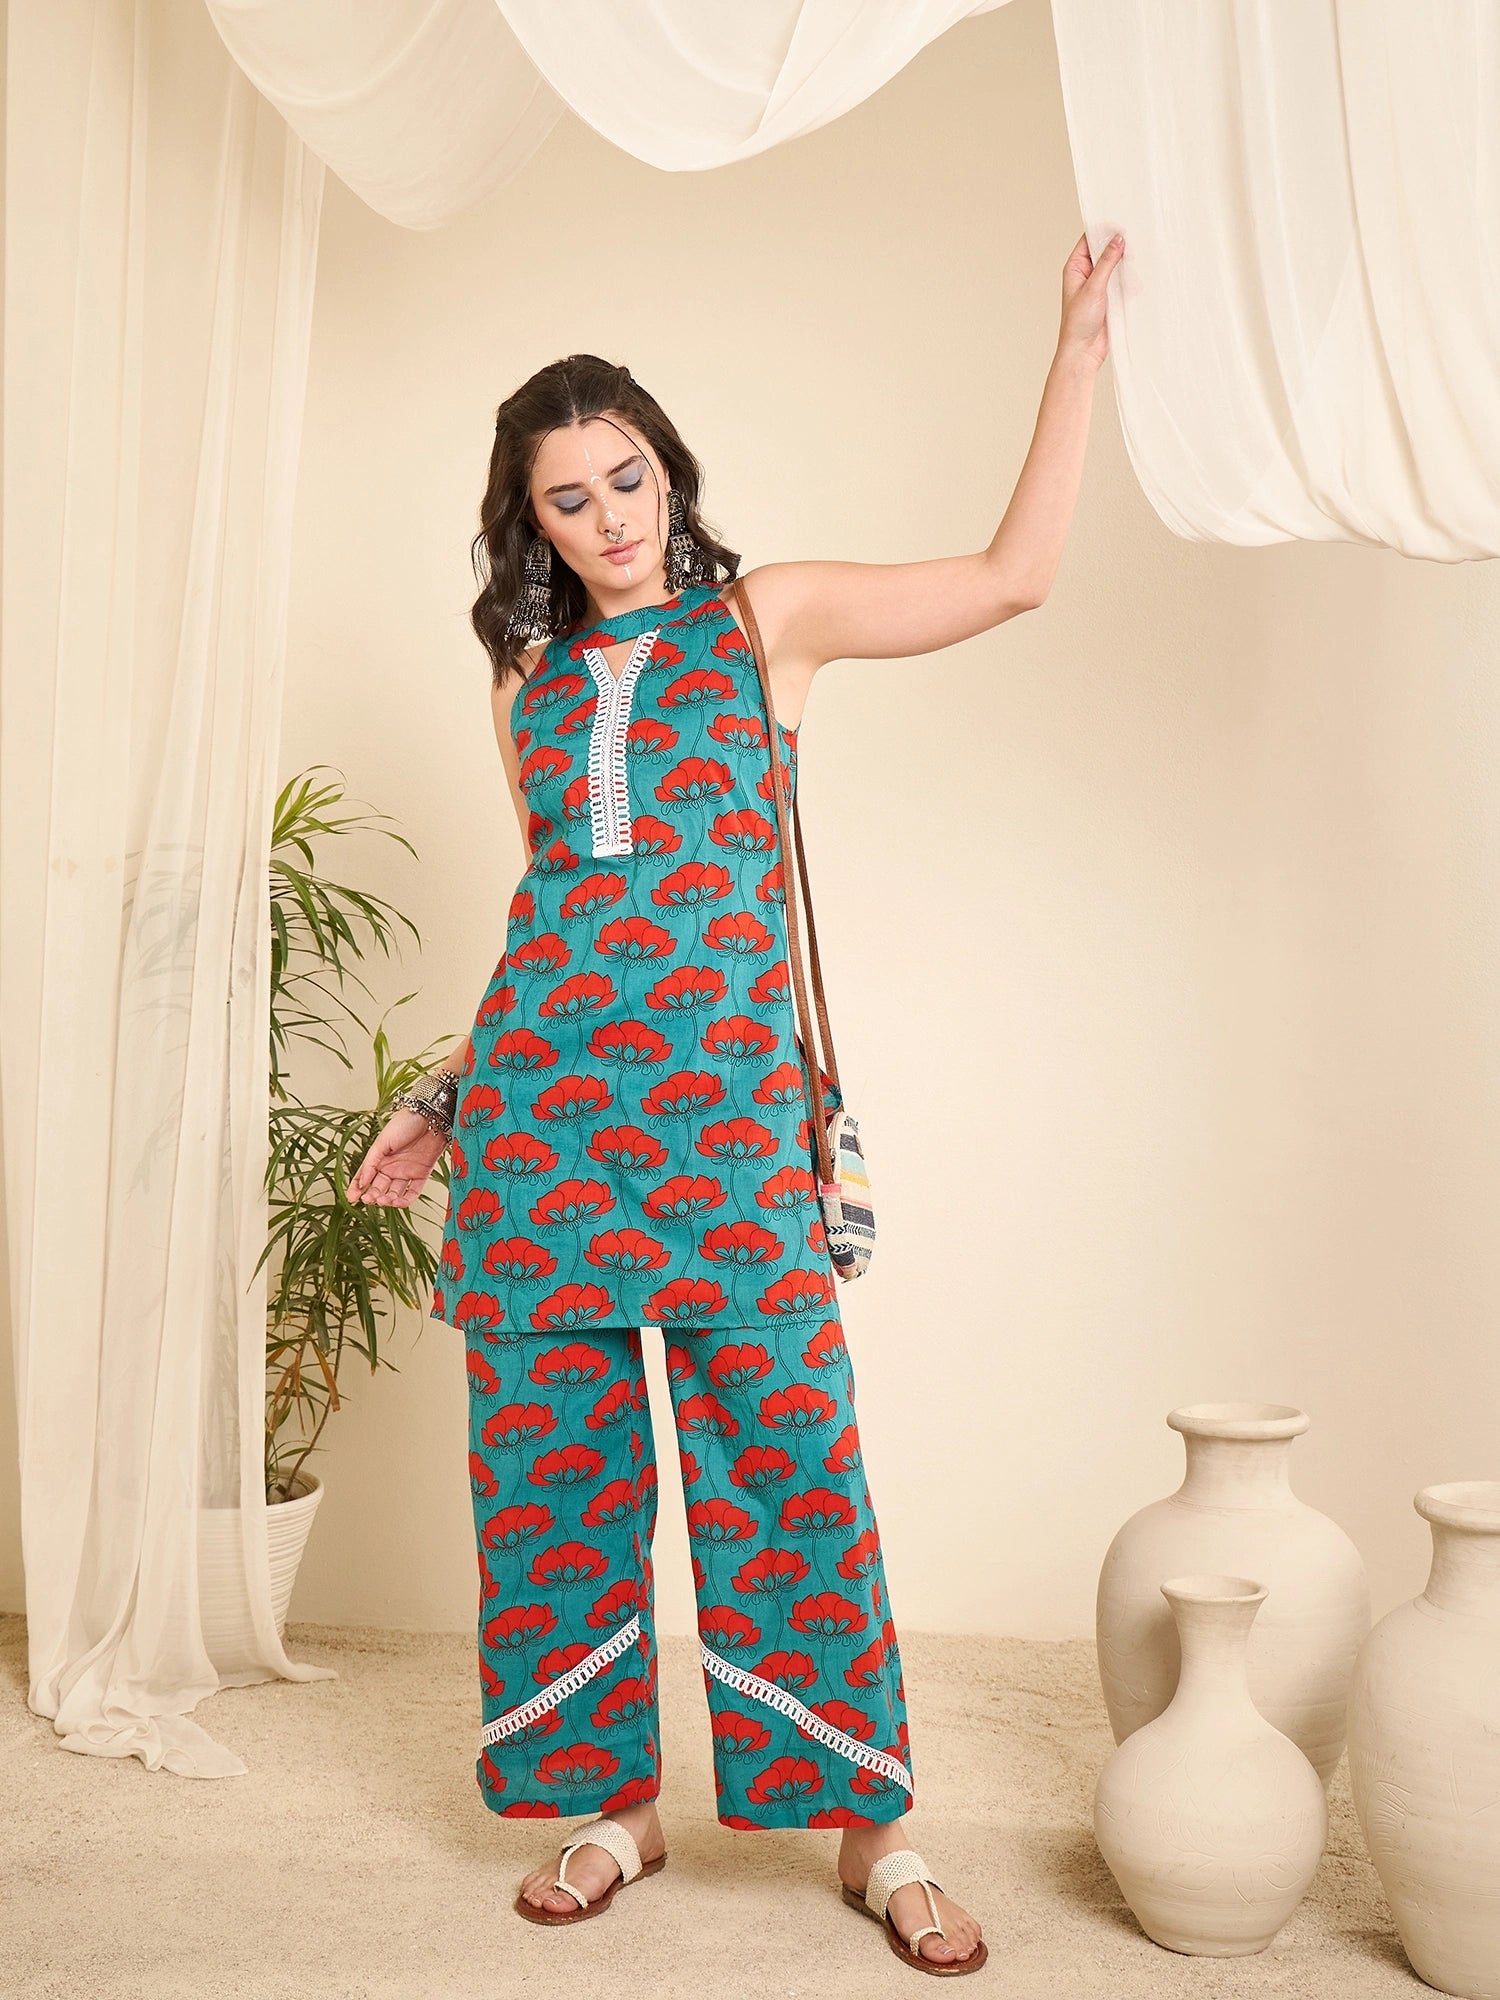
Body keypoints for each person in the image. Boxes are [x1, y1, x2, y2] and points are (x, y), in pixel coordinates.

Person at [349, 227, 1123, 1975]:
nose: (610, 518)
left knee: (790, 1464)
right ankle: (611, 1810)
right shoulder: (526, 684)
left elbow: (1014, 577)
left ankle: (875, 1833)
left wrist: (1078, 351)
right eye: (569, 501)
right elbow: (557, 919)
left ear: (668, 471)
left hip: (727, 1142)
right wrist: (450, 1096)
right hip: (540, 1136)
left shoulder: (770, 623)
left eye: (628, 478)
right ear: (529, 524)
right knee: (549, 1480)